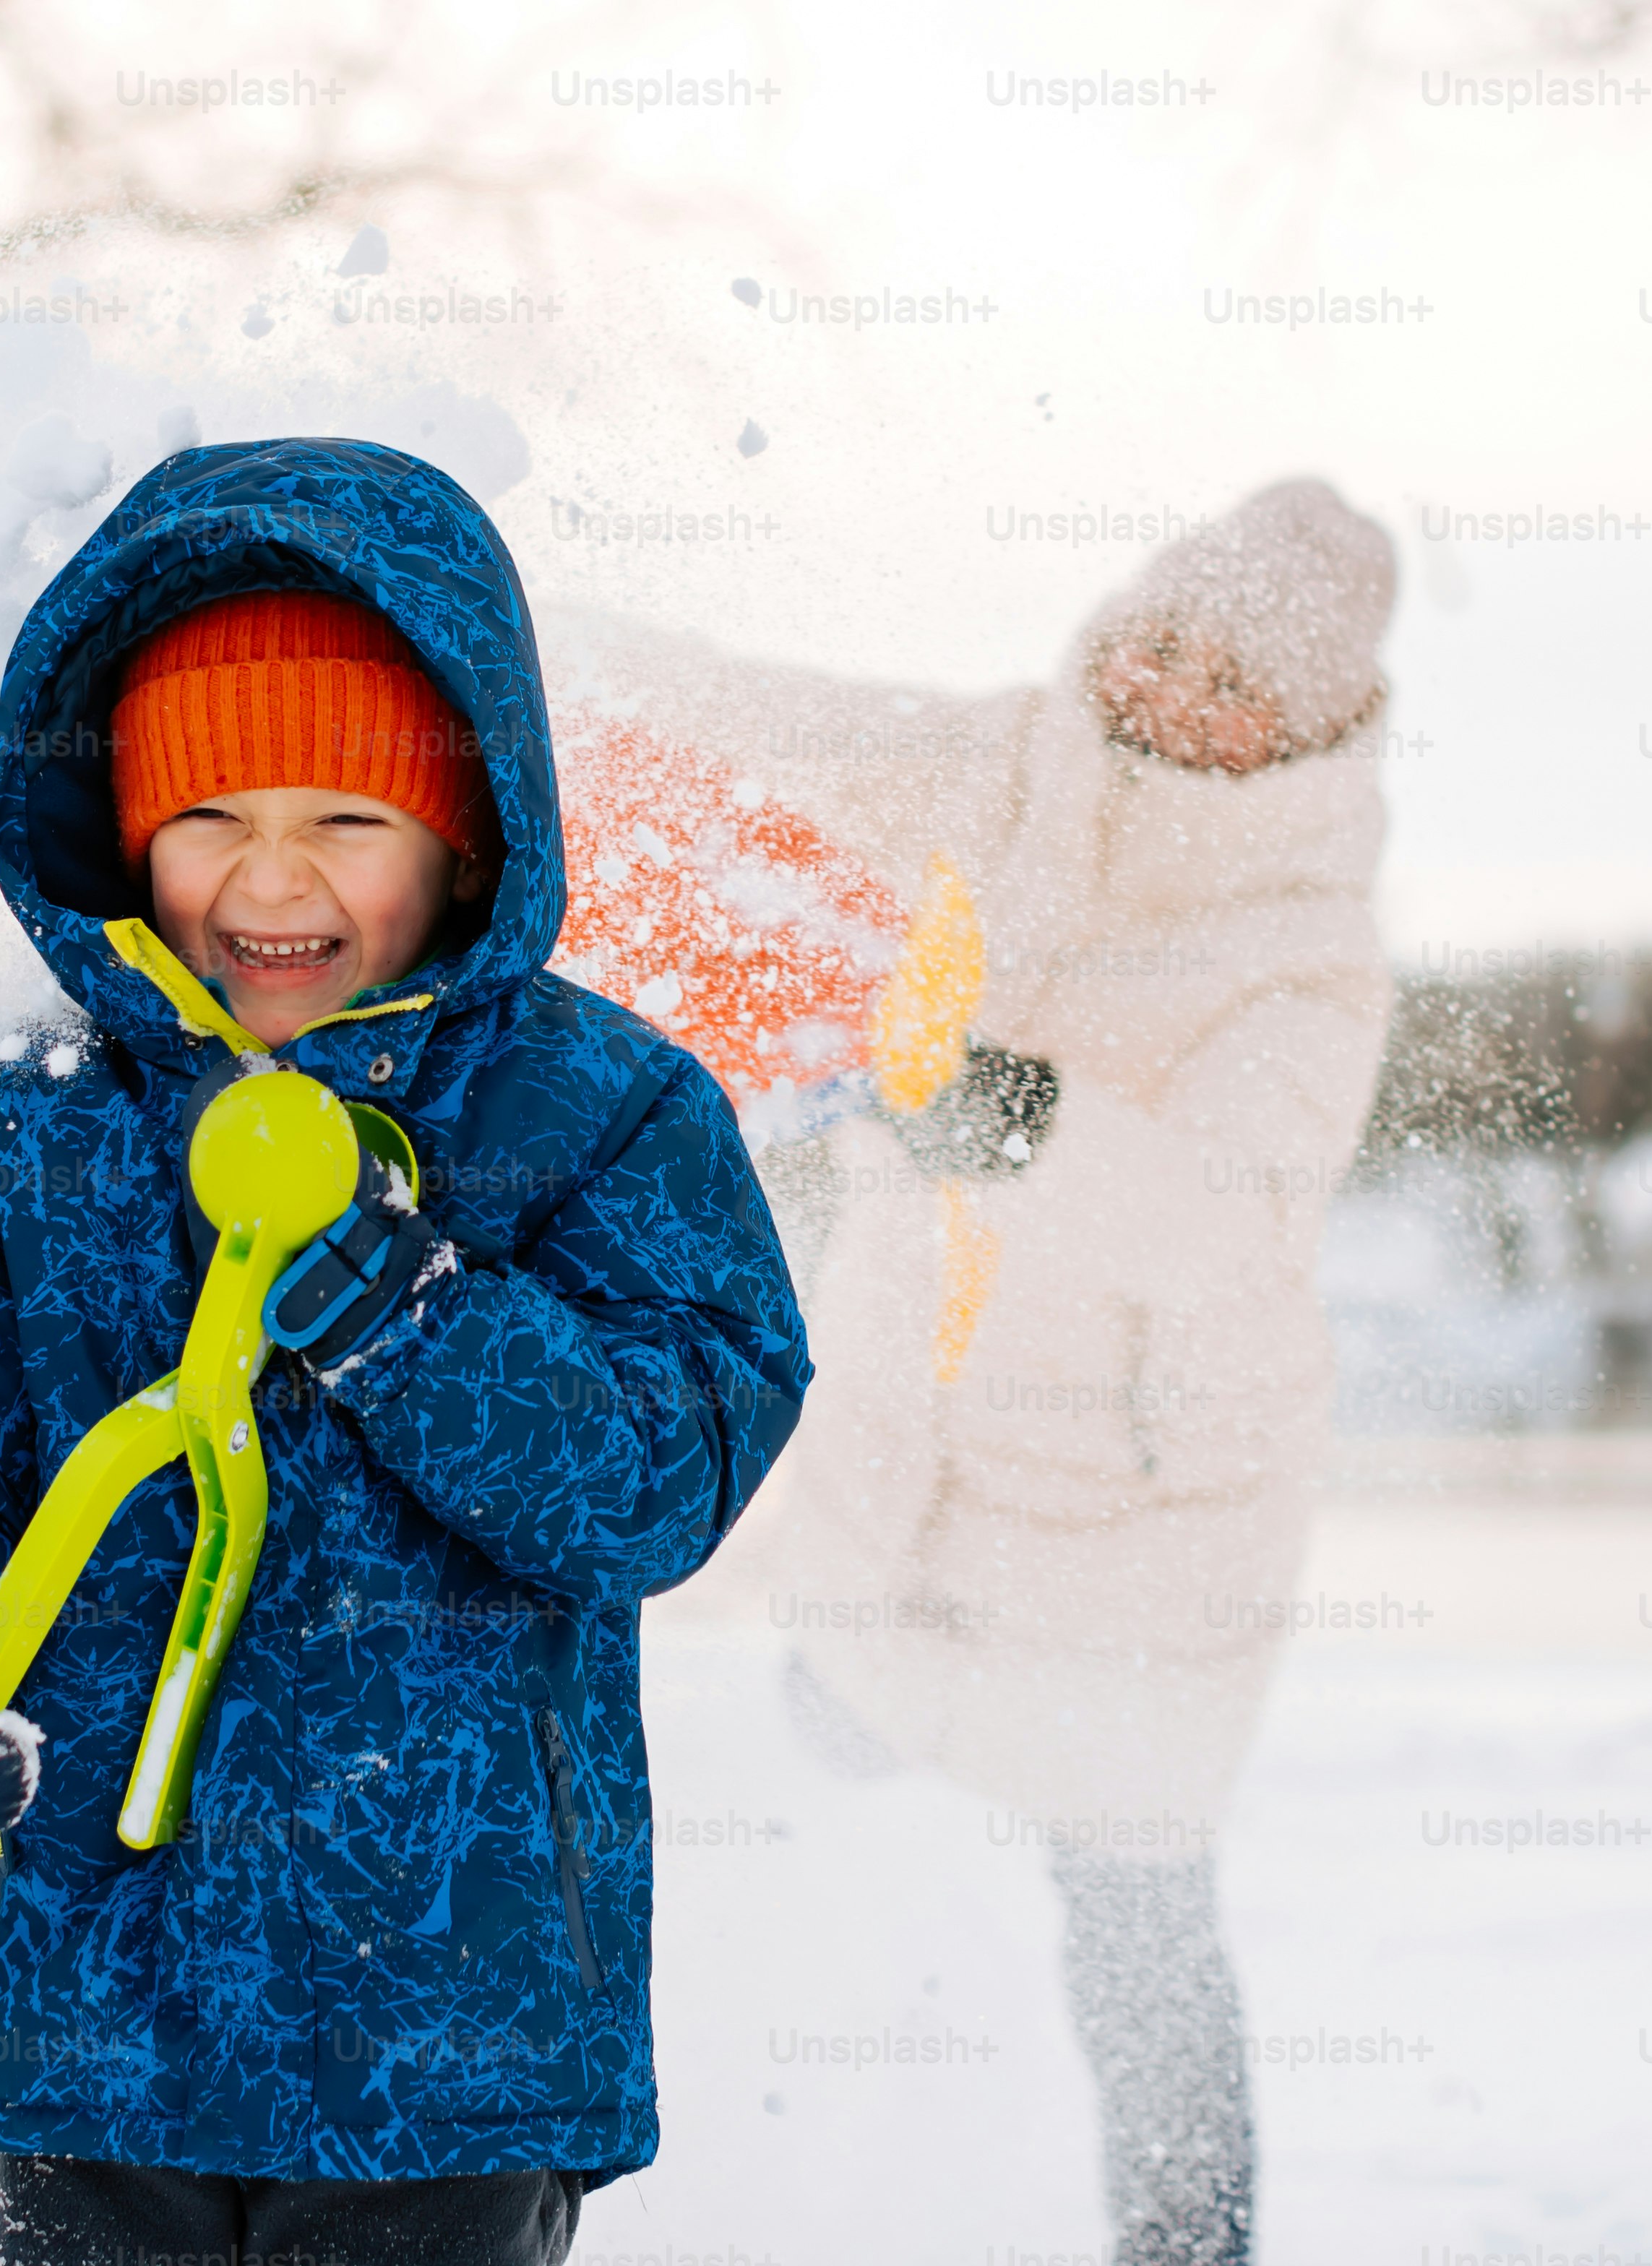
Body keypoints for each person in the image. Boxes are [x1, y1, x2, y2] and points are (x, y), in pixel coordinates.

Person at [0, 439, 812, 2264]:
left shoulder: (598, 1114)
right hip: (93, 2005)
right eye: (208, 818)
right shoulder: (22, 1124)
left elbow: (648, 1477)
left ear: (462, 830)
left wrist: (371, 1289)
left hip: (444, 2039)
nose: (272, 879)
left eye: (346, 819)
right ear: (116, 832)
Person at [563, 480, 1398, 2266]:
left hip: (1157, 1511)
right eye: (1156, 638)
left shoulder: (1309, 956)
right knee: (818, 1736)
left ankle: (1187, 2246)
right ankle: (803, 2157)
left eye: (1228, 677)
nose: (1166, 691)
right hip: (911, 1445)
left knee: (1136, 1916)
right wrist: (533, 638)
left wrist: (1018, 1115)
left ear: (1315, 721)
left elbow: (1220, 1219)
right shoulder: (1004, 768)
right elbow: (772, 721)